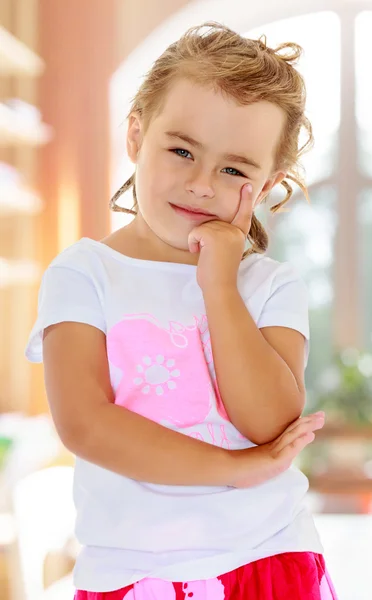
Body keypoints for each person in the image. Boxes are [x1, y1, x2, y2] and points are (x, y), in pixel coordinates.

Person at [25, 22, 338, 600]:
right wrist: (235, 468)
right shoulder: (83, 274)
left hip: (269, 556)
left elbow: (268, 423)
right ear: (136, 136)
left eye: (234, 170)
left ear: (268, 185)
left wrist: (219, 283)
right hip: (132, 571)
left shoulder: (270, 285)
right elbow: (86, 425)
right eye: (181, 150)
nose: (199, 184)